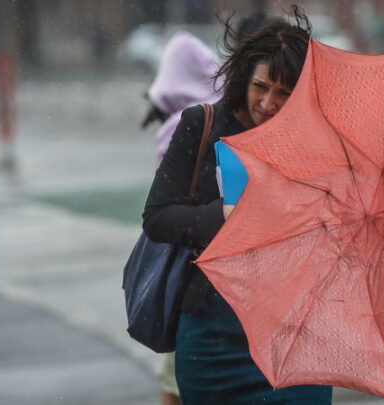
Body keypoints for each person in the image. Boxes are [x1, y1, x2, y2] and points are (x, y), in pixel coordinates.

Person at [141, 7, 333, 405]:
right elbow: (157, 219)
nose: (268, 103)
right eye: (261, 86)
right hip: (212, 336)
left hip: (295, 334)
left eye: (284, 93)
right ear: (246, 75)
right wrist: (223, 216)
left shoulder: (316, 142)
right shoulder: (203, 124)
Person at [141, 31, 223, 405]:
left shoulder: (182, 124)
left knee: (176, 382)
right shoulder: (223, 112)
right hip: (221, 277)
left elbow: (160, 212)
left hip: (188, 274)